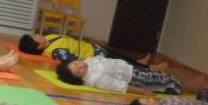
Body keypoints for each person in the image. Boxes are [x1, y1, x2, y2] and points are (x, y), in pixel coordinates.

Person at [18, 32, 167, 70]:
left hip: (92, 48)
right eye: (35, 37)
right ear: (38, 46)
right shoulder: (55, 50)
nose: (37, 34)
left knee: (119, 55)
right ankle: (149, 68)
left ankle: (140, 62)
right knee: (120, 62)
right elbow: (72, 59)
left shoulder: (50, 37)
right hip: (95, 55)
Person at [56, 57, 186, 95]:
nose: (80, 66)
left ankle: (179, 82)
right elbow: (118, 86)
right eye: (78, 70)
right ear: (78, 78)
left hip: (131, 69)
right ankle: (180, 86)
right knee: (161, 82)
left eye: (76, 63)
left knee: (159, 75)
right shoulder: (95, 78)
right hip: (134, 78)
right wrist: (142, 91)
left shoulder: (88, 61)